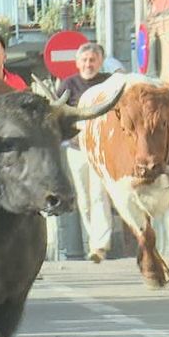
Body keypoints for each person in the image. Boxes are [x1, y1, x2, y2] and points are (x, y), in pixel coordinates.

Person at [55, 42, 114, 262]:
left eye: (93, 60)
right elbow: (57, 113)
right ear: (78, 63)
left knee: (99, 194)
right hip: (77, 147)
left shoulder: (109, 82)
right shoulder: (68, 85)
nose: (89, 64)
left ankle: (100, 246)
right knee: (83, 197)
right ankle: (94, 240)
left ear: (100, 62)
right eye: (85, 60)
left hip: (101, 148)